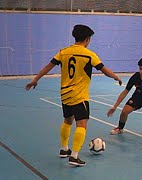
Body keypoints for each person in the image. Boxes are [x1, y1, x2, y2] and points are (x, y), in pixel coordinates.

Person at [25, 24, 122, 166]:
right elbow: (104, 70)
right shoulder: (89, 54)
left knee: (67, 121)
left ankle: (64, 149)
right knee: (82, 124)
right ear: (87, 39)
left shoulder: (63, 52)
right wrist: (116, 77)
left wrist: (35, 79)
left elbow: (48, 66)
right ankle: (75, 156)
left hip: (65, 94)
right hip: (79, 95)